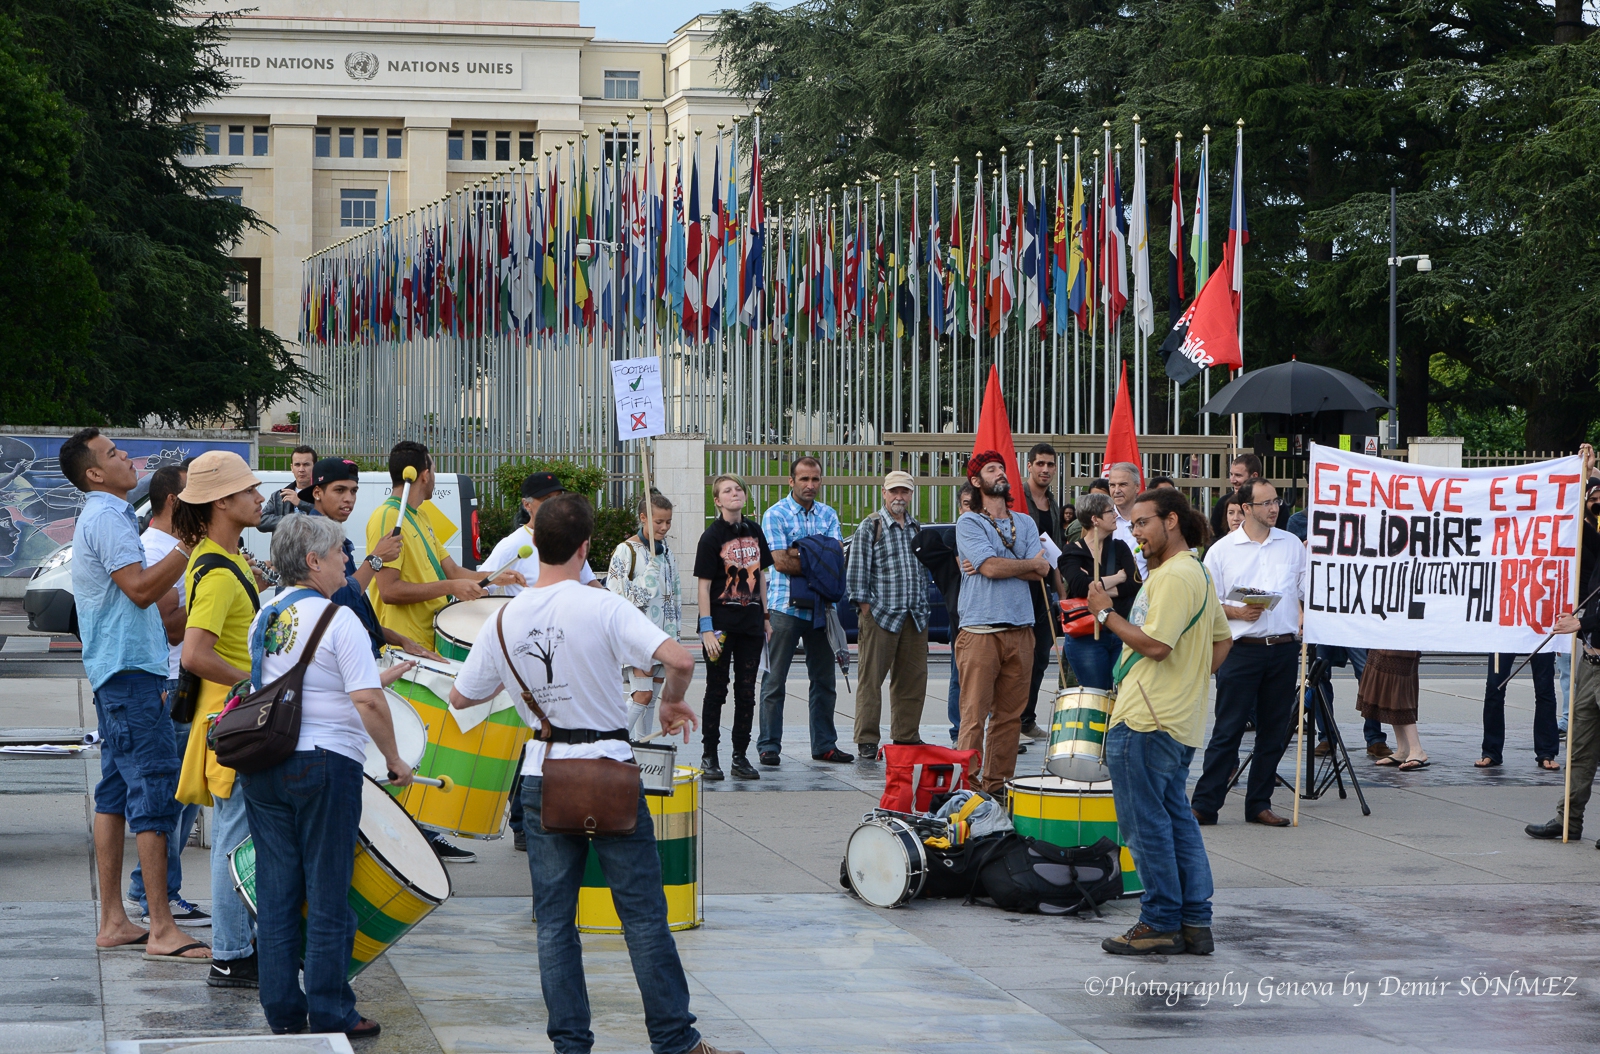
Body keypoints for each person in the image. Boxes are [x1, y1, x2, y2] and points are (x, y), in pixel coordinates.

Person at [447, 493, 742, 1054]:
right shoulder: (602, 604)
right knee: (643, 918)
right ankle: (676, 1043)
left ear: (534, 544)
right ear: (586, 549)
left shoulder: (505, 618)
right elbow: (678, 659)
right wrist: (671, 704)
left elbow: (462, 697)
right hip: (608, 770)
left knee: (556, 924)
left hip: (542, 775)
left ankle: (571, 1046)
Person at [240, 515, 418, 1041]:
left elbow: (297, 681)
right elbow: (364, 700)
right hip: (323, 763)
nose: (349, 558)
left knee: (276, 891)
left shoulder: (265, 614)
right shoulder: (338, 619)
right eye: (341, 551)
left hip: (265, 762)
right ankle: (332, 1009)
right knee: (327, 889)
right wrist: (394, 759)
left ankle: (282, 1009)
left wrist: (374, 676)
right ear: (313, 561)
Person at [59, 428, 208, 961]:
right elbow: (141, 590)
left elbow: (146, 596)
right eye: (114, 454)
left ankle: (114, 921)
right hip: (129, 674)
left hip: (120, 671)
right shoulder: (106, 516)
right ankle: (163, 927)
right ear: (95, 473)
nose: (126, 458)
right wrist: (192, 546)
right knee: (155, 786)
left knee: (117, 792)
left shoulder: (108, 516)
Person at [1087, 487, 1231, 956]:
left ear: (1171, 520)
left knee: (1144, 824)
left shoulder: (1173, 577)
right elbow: (1222, 641)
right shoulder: (1200, 574)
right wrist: (1189, 681)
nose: (1137, 533)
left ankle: (1160, 921)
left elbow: (1155, 644)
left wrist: (1104, 614)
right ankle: (1194, 922)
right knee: (1175, 820)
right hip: (1176, 717)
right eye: (1132, 526)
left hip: (1147, 720)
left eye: (1143, 523)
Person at [365, 441, 523, 863]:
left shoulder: (422, 518)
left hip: (429, 644)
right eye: (433, 467)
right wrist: (453, 589)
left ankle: (425, 830)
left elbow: (452, 572)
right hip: (402, 648)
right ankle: (406, 837)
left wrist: (492, 577)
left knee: (428, 744)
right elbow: (390, 590)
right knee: (409, 745)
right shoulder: (388, 517)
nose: (435, 474)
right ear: (422, 473)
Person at [172, 450, 267, 985]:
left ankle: (239, 946)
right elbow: (193, 653)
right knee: (233, 841)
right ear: (222, 502)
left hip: (228, 722)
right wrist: (254, 687)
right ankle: (229, 955)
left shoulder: (222, 561)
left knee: (240, 838)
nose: (259, 497)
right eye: (249, 491)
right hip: (233, 726)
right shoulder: (218, 573)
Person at [1190, 477, 1306, 828]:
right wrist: (1237, 612)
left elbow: (1305, 589)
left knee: (1274, 730)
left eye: (1277, 501)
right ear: (1245, 508)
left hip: (1283, 648)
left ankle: (1259, 802)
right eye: (1266, 503)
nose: (1275, 508)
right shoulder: (1222, 550)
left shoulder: (1291, 545)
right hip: (1241, 649)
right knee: (1228, 729)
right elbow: (1207, 601)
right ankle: (1205, 804)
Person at [127, 464, 209, 928]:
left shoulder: (177, 550)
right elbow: (162, 624)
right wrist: (207, 606)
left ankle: (155, 889)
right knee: (174, 796)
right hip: (172, 682)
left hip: (186, 681)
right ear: (176, 502)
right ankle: (154, 890)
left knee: (187, 793)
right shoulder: (155, 549)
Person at [954, 451, 1048, 796]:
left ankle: (997, 787)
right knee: (974, 717)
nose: (1001, 473)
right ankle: (966, 789)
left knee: (1009, 719)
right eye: (992, 470)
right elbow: (994, 567)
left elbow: (1040, 569)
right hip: (980, 631)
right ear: (977, 482)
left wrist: (1003, 564)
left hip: (1021, 630)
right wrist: (1022, 565)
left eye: (1002, 468)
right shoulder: (969, 522)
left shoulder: (1024, 522)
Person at [757, 456, 852, 765]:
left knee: (825, 681)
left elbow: (836, 559)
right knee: (774, 681)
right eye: (804, 479)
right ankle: (769, 745)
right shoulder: (776, 514)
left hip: (822, 608)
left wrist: (802, 551)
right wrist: (818, 554)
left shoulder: (829, 514)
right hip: (785, 607)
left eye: (815, 479)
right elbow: (781, 562)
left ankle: (825, 745)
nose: (810, 485)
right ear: (791, 481)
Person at [301, 456, 434, 659]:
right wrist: (376, 558)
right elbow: (340, 601)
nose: (349, 498)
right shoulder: (313, 535)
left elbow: (356, 611)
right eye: (340, 490)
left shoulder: (334, 535)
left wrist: (400, 639)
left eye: (353, 491)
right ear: (317, 493)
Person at [694, 475, 773, 781]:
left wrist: (766, 618)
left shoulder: (754, 531)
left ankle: (740, 755)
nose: (735, 493)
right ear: (717, 500)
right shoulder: (711, 537)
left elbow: (761, 577)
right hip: (720, 627)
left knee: (746, 692)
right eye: (727, 490)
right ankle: (709, 755)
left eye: (738, 489)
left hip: (751, 626)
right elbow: (703, 586)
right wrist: (705, 628)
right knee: (716, 690)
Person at [847, 470, 930, 759]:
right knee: (871, 680)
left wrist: (922, 606)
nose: (899, 497)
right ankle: (867, 740)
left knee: (912, 680)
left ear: (911, 495)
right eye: (894, 491)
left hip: (914, 616)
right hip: (880, 616)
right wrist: (866, 608)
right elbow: (856, 573)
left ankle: (906, 735)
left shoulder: (916, 528)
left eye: (904, 492)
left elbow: (921, 571)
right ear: (884, 493)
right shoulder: (871, 525)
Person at [608, 489, 682, 741]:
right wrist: (652, 566)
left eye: (668, 521)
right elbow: (619, 598)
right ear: (643, 518)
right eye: (658, 521)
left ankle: (642, 751)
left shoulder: (666, 551)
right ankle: (612, 744)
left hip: (663, 636)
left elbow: (674, 595)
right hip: (637, 636)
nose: (664, 527)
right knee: (642, 695)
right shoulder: (625, 551)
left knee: (651, 699)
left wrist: (675, 636)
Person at [914, 483, 978, 745]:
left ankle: (989, 732)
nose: (970, 510)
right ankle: (959, 732)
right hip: (961, 619)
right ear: (958, 506)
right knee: (959, 676)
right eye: (965, 505)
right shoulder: (953, 537)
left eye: (975, 505)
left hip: (989, 617)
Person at [1059, 493, 1138, 690]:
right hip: (1086, 636)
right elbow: (1078, 586)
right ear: (1095, 519)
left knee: (1122, 695)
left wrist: (1096, 590)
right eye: (1110, 511)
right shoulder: (1071, 552)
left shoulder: (1119, 547)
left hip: (1120, 630)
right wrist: (1118, 577)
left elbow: (1134, 584)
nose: (1114, 515)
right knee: (1096, 695)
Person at [482, 471, 601, 594]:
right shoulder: (511, 544)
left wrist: (610, 598)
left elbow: (588, 581)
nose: (555, 505)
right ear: (527, 504)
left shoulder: (568, 536)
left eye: (558, 498)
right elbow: (483, 585)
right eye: (546, 500)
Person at [1020, 445, 1067, 742]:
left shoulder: (1054, 504)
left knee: (1039, 658)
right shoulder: (1017, 501)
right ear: (1029, 466)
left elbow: (1056, 557)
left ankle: (1027, 718)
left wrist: (1062, 597)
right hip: (1019, 587)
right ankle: (1008, 719)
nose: (1045, 469)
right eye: (1040, 464)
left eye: (1050, 465)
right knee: (1017, 659)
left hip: (1044, 592)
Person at [1478, 652, 1560, 770]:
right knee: (1494, 688)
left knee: (1545, 689)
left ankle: (1546, 752)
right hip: (1504, 635)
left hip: (1541, 634)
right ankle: (1491, 751)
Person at [1359, 651, 1427, 769]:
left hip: (1398, 641)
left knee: (1397, 689)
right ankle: (1403, 749)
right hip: (1387, 639)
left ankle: (1416, 749)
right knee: (1391, 691)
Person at [1105, 462, 1149, 577]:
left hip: (1147, 591)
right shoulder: (1100, 520)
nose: (1117, 490)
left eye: (1122, 485)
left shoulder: (1151, 519)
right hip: (1112, 592)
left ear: (1137, 487)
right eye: (1112, 485)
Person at [259, 444, 316, 532]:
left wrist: (300, 503)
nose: (301, 469)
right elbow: (260, 521)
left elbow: (329, 519)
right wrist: (291, 521)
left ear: (315, 467)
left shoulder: (323, 494)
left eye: (306, 464)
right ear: (292, 468)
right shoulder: (279, 495)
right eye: (297, 465)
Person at [1066, 478, 1111, 544]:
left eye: (1103, 498)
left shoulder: (1118, 522)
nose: (1097, 502)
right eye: (1093, 497)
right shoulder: (1077, 527)